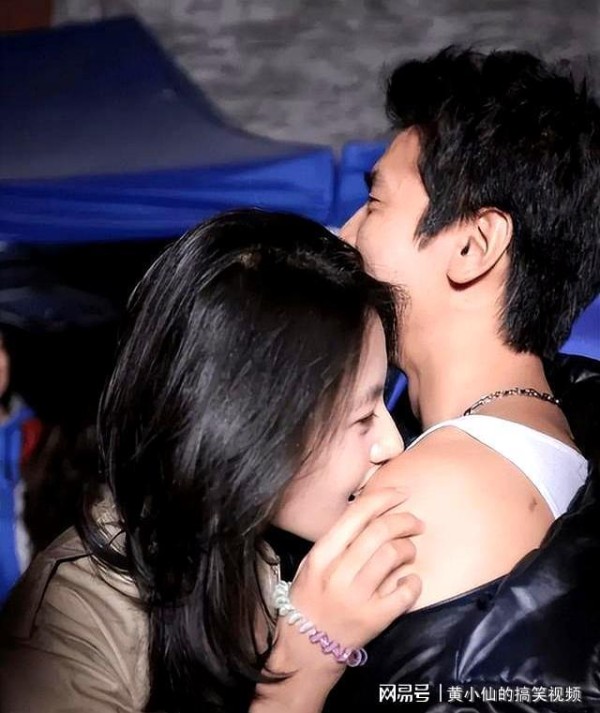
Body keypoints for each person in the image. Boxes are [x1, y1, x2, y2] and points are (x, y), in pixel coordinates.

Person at [0, 209, 423, 713]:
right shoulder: (76, 619)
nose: (391, 443)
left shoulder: (265, 548)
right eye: (362, 416)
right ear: (247, 423)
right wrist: (305, 667)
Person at [310, 47, 600, 710]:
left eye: (374, 203)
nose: (344, 234)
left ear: (474, 245)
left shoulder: (422, 495)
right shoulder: (562, 438)